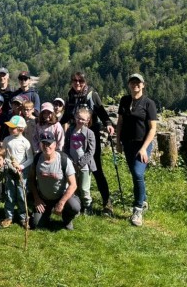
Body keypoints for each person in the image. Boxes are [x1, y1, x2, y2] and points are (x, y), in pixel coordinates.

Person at [61, 71, 115, 215]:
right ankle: (79, 201)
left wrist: (108, 123)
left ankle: (107, 202)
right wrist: (56, 124)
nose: (77, 83)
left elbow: (101, 111)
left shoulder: (92, 94)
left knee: (95, 167)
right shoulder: (71, 95)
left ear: (85, 82)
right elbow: (67, 114)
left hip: (91, 134)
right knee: (73, 168)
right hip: (75, 134)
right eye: (75, 80)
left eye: (81, 81)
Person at [116, 73, 158, 227]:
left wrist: (144, 149)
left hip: (142, 145)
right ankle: (143, 199)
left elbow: (153, 129)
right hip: (128, 144)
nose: (135, 85)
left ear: (143, 85)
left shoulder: (149, 103)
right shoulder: (125, 100)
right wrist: (118, 143)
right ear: (129, 85)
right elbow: (120, 123)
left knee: (138, 173)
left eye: (138, 82)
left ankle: (138, 209)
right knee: (135, 174)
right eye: (132, 82)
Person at [29, 131, 80, 231]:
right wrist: (37, 199)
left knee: (75, 207)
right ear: (40, 144)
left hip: (61, 196)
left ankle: (67, 219)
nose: (46, 146)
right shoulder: (37, 159)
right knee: (36, 225)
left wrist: (61, 202)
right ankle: (45, 214)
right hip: (44, 199)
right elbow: (31, 180)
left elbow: (73, 185)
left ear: (55, 144)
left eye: (49, 143)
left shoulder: (64, 160)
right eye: (43, 143)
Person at [1, 115, 33, 228]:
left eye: (12, 127)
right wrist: (9, 164)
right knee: (9, 194)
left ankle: (23, 217)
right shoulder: (7, 140)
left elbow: (30, 158)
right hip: (10, 171)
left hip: (21, 173)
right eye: (9, 127)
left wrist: (21, 167)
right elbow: (4, 156)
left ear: (21, 129)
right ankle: (8, 216)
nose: (10, 129)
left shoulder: (25, 142)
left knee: (21, 194)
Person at [63, 107, 96, 215]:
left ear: (87, 120)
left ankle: (88, 205)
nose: (80, 120)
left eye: (83, 119)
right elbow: (66, 147)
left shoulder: (89, 133)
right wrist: (70, 161)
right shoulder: (70, 130)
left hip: (85, 165)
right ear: (75, 117)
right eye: (78, 118)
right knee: (74, 186)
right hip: (72, 164)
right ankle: (76, 206)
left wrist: (80, 163)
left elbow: (91, 151)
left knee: (84, 188)